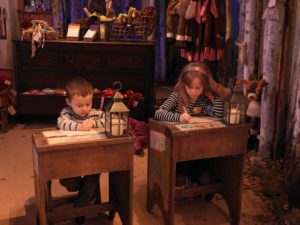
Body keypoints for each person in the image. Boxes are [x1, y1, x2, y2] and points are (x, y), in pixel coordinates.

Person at [154, 62, 229, 195]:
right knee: (179, 179)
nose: (194, 92)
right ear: (184, 85)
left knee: (205, 178)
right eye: (190, 87)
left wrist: (215, 94)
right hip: (179, 149)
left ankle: (195, 181)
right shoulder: (177, 96)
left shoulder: (203, 98)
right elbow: (158, 113)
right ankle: (185, 177)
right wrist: (179, 117)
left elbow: (217, 115)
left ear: (204, 86)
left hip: (199, 149)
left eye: (198, 88)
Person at [57, 76, 105, 225]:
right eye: (79, 105)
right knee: (70, 183)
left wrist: (94, 123)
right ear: (69, 102)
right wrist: (79, 126)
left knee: (92, 179)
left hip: (92, 159)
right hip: (70, 160)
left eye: (88, 104)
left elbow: (107, 119)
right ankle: (85, 195)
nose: (85, 108)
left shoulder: (95, 113)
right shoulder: (66, 113)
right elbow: (61, 123)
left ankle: (80, 209)